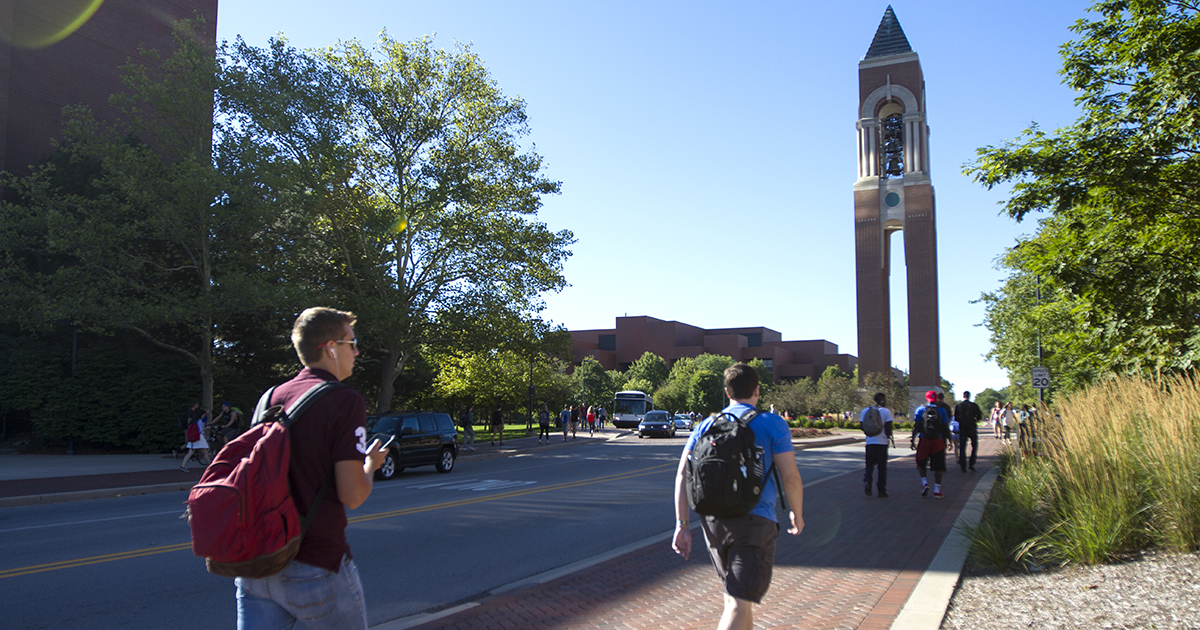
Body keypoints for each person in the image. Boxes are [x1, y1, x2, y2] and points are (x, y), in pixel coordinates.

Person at [235, 307, 387, 630]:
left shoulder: (269, 399)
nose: (357, 351)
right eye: (352, 343)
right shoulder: (345, 401)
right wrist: (370, 466)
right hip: (314, 564)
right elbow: (352, 494)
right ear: (331, 348)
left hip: (256, 565)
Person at [672, 363, 805, 630]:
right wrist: (797, 513)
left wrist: (682, 525)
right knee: (737, 603)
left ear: (727, 392)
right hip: (755, 523)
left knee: (737, 599)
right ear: (757, 390)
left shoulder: (705, 425)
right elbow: (790, 477)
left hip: (714, 522)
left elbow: (682, 475)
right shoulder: (773, 424)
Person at [910, 390, 951, 498]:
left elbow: (917, 426)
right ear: (936, 398)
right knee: (939, 467)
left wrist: (913, 440)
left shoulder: (920, 409)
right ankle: (937, 490)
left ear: (926, 398)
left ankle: (925, 483)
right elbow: (945, 428)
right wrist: (950, 441)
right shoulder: (942, 411)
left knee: (922, 463)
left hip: (924, 440)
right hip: (937, 441)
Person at [859, 392, 894, 498]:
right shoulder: (887, 412)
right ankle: (881, 490)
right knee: (882, 467)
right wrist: (888, 437)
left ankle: (867, 481)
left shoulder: (866, 411)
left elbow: (862, 426)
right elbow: (889, 428)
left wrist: (870, 433)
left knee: (869, 465)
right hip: (882, 443)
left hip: (870, 442)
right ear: (883, 400)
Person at [953, 391, 982, 472]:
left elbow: (956, 418)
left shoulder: (958, 406)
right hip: (972, 427)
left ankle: (963, 466)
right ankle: (971, 463)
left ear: (963, 396)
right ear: (969, 396)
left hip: (963, 428)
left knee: (962, 447)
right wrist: (974, 420)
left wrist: (962, 420)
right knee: (974, 445)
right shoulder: (974, 406)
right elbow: (979, 416)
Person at [180, 407, 210, 472]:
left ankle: (183, 465)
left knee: (190, 452)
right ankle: (210, 466)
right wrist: (206, 429)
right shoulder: (199, 421)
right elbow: (200, 430)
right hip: (199, 438)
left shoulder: (193, 421)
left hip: (193, 438)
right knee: (205, 452)